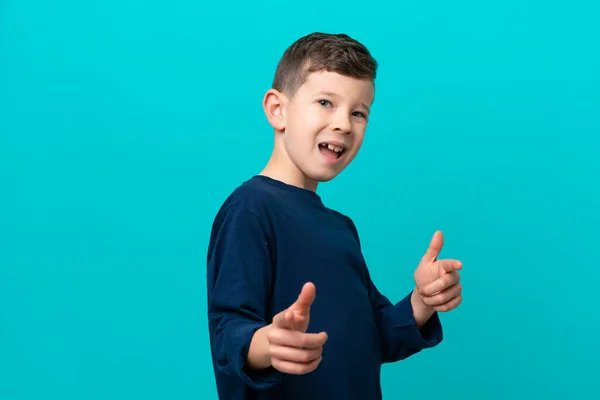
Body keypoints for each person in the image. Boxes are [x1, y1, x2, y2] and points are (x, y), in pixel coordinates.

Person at [206, 32, 463, 400]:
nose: (344, 123)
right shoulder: (250, 208)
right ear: (278, 110)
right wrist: (268, 342)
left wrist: (423, 301)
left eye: (358, 112)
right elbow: (229, 330)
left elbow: (374, 337)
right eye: (326, 102)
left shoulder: (342, 228)